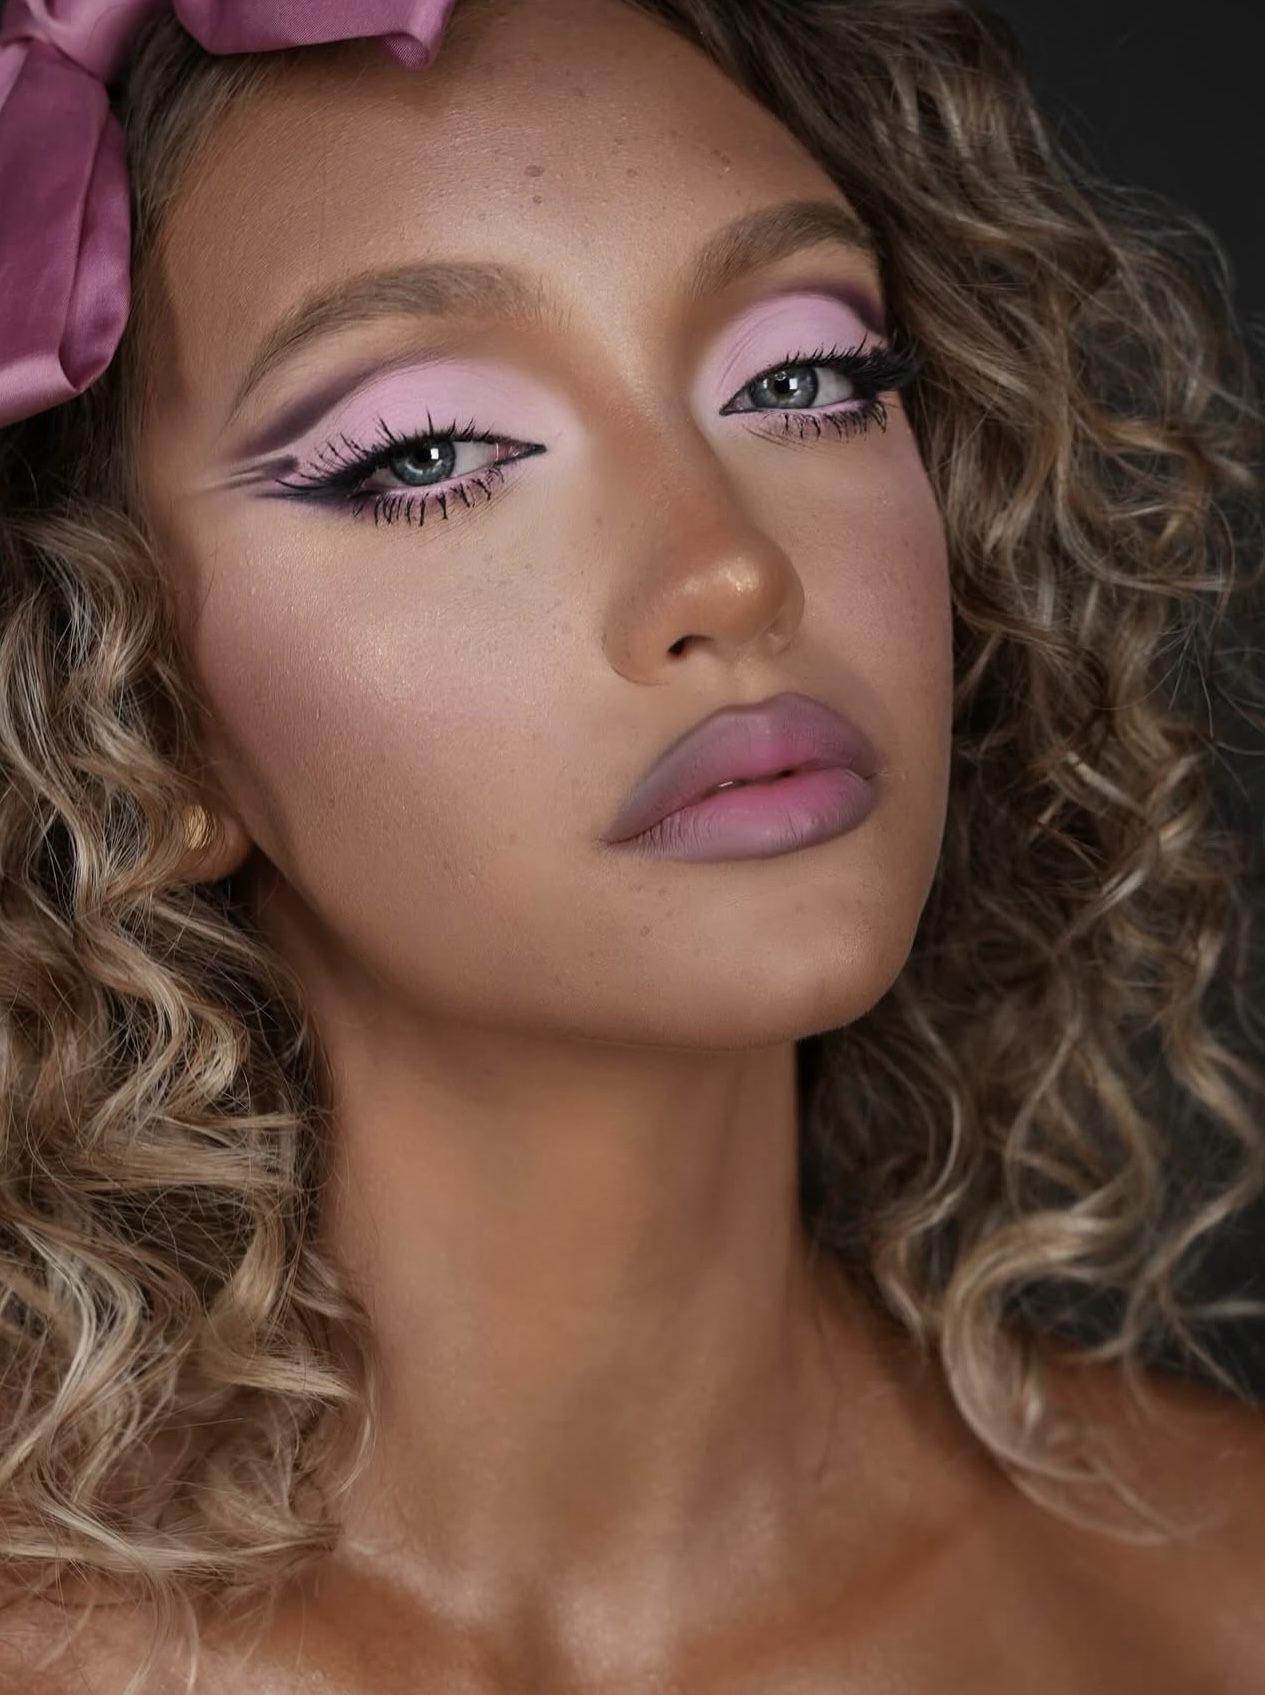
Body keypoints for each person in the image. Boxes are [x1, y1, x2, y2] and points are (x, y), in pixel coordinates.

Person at [1, 0, 1264, 1689]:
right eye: (430, 454)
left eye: (802, 377)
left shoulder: (1222, 1600)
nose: (733, 571)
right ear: (120, 694)